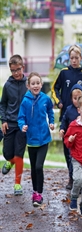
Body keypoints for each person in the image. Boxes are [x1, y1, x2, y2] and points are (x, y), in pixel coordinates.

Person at [51, 44, 82, 189]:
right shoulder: (63, 73)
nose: (74, 60)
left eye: (77, 58)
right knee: (67, 148)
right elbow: (54, 89)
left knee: (80, 147)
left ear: (81, 58)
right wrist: (59, 102)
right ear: (69, 58)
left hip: (81, 117)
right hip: (66, 116)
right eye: (72, 58)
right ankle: (71, 177)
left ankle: (80, 176)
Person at [18, 72, 54, 206]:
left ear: (41, 84)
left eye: (38, 83)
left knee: (39, 166)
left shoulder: (45, 99)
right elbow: (20, 117)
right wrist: (22, 126)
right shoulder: (25, 101)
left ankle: (40, 193)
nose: (35, 85)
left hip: (44, 139)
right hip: (31, 140)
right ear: (28, 86)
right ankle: (35, 192)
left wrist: (51, 121)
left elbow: (50, 110)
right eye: (33, 83)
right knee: (33, 168)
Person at [59, 84, 82, 187]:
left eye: (79, 98)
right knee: (72, 159)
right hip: (72, 140)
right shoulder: (69, 109)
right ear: (71, 98)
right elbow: (64, 120)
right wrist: (62, 129)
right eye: (74, 98)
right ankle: (72, 179)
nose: (77, 100)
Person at [0, 55, 27, 195]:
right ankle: (9, 161)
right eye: (13, 70)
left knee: (19, 154)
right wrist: (3, 120)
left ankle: (17, 184)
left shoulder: (28, 84)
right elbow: (3, 104)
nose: (16, 73)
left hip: (23, 125)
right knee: (8, 153)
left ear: (23, 67)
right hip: (9, 123)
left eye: (18, 69)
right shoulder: (8, 85)